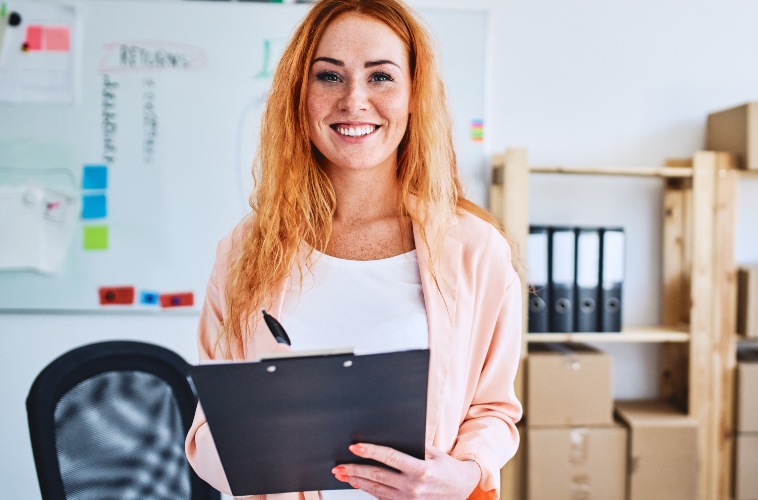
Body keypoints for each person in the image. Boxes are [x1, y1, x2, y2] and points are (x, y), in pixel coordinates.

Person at [183, 0, 523, 498]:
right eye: (330, 77)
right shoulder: (244, 251)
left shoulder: (474, 249)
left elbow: (493, 413)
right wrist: (259, 452)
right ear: (301, 95)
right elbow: (208, 430)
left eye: (381, 77)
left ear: (412, 95)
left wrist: (464, 474)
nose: (355, 101)